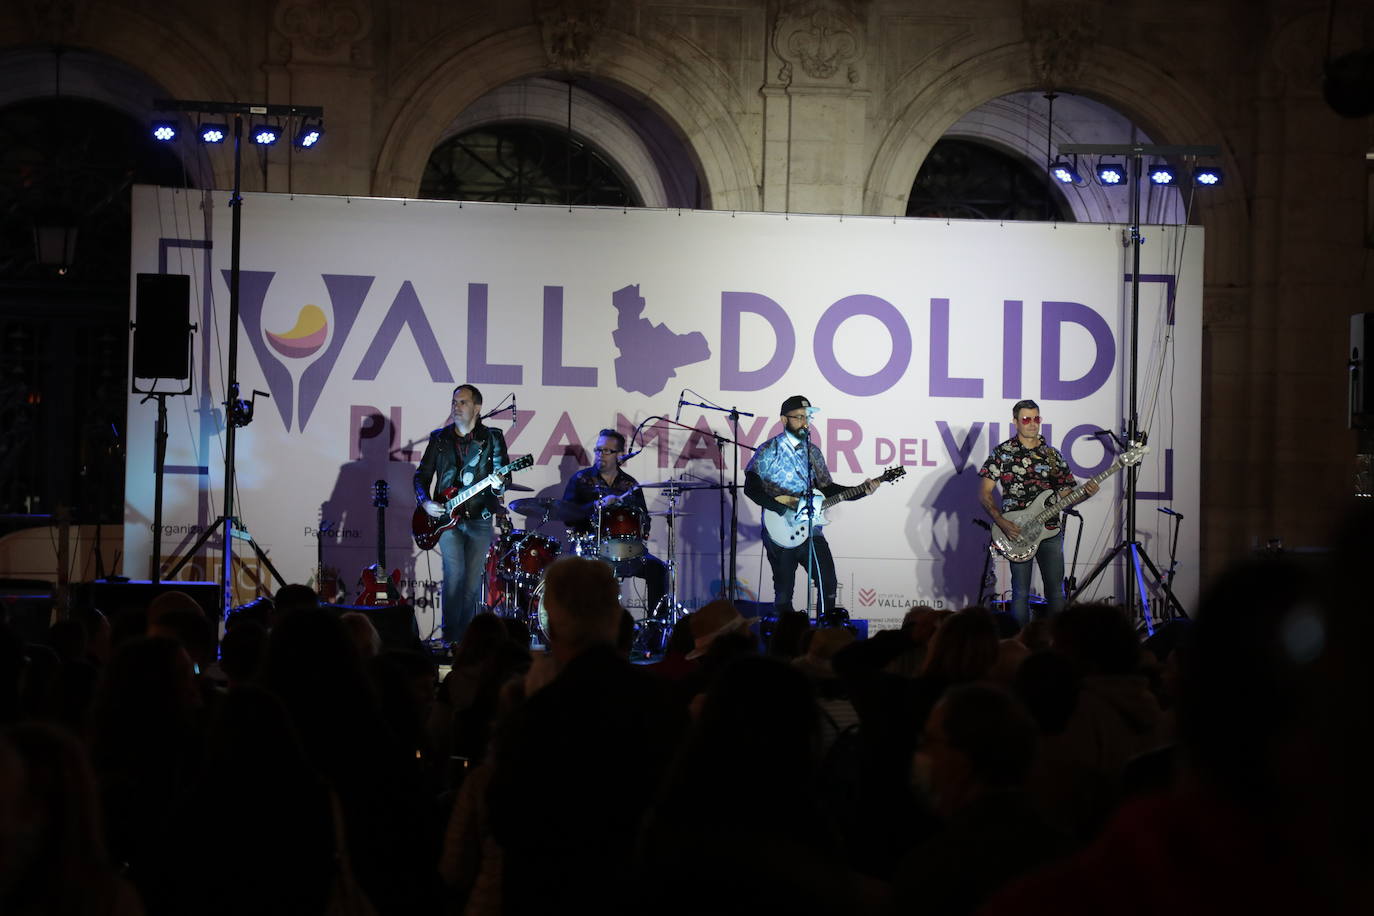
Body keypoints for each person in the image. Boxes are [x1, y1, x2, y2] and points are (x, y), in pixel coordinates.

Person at [744, 395, 878, 617]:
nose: (805, 423)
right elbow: (752, 488)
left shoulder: (812, 452)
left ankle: (824, 630)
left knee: (827, 582)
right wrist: (783, 508)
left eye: (808, 417)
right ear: (784, 420)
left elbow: (828, 489)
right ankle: (785, 640)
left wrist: (862, 490)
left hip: (811, 530)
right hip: (780, 530)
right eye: (798, 417)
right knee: (784, 592)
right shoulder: (769, 450)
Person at [978, 400, 1097, 625]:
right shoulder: (1003, 453)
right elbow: (984, 493)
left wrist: (1087, 493)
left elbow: (1066, 496)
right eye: (1026, 419)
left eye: (1036, 419)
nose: (1032, 424)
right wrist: (1001, 521)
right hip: (1017, 531)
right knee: (1020, 592)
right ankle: (1019, 645)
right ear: (1015, 422)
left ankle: (1058, 644)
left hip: (1050, 531)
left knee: (1055, 592)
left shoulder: (1052, 455)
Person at [416, 384, 509, 645]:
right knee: (454, 576)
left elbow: (504, 475)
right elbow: (422, 475)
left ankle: (463, 640)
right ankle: (449, 638)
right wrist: (425, 502)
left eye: (463, 403)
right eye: (454, 402)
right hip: (446, 520)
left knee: (470, 583)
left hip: (479, 519)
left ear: (477, 408)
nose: (456, 407)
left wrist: (500, 482)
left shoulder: (492, 438)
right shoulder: (440, 438)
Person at [562, 428, 667, 615]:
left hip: (626, 552)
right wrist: (596, 505)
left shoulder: (630, 484)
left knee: (658, 569)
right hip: (589, 550)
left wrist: (640, 526)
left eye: (606, 451)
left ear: (620, 455)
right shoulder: (580, 480)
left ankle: (655, 631)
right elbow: (567, 516)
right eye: (597, 450)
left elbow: (645, 520)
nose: (599, 454)